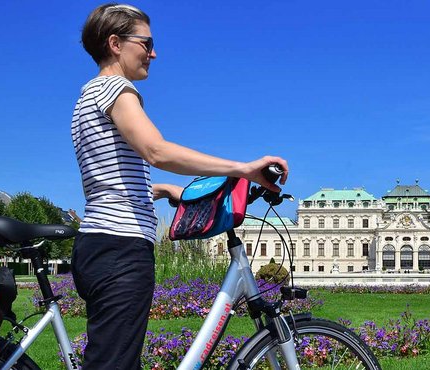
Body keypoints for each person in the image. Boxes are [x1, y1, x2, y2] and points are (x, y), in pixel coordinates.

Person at [70, 4, 288, 369]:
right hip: (121, 249)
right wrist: (244, 168)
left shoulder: (86, 96)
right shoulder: (115, 89)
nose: (153, 53)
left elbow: (107, 175)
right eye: (146, 42)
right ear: (115, 43)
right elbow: (156, 150)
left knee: (117, 358)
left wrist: (162, 190)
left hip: (97, 243)